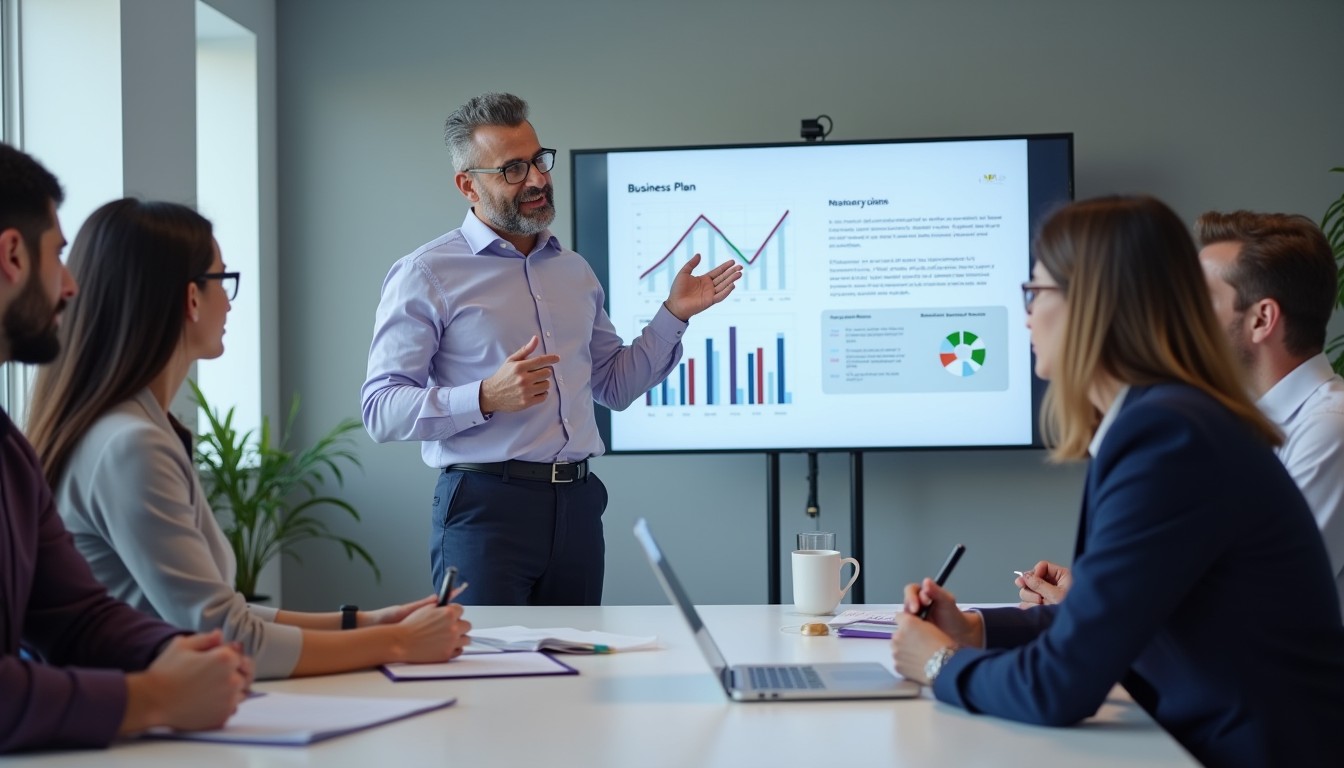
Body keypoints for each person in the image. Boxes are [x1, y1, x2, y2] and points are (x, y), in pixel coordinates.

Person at [890, 195, 1344, 766]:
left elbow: (1060, 687)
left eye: (1035, 291)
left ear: (1093, 305)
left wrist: (938, 664)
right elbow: (1105, 619)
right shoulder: (1164, 419)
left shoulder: (1168, 435)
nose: (1025, 313)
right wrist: (974, 629)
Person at [26, 198, 471, 681]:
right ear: (191, 299)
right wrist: (399, 643)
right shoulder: (130, 446)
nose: (230, 301)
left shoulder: (135, 428)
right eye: (223, 279)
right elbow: (227, 634)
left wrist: (364, 623)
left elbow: (222, 612)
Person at [361, 92, 742, 606]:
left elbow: (614, 386)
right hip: (485, 508)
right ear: (467, 185)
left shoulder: (573, 270)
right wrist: (484, 396)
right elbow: (380, 410)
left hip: (578, 506)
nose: (538, 179)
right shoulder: (426, 273)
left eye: (539, 159)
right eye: (512, 169)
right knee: (488, 677)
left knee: (579, 678)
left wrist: (672, 316)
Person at [0, 143, 250, 752]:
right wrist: (156, 697)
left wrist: (181, 654)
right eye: (57, 255)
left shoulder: (10, 450)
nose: (68, 286)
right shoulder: (126, 441)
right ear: (12, 255)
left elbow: (74, 614)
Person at [1016, 211, 1344, 618]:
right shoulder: (1230, 423)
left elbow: (1260, 600)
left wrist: (1104, 609)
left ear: (1261, 319)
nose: (1183, 317)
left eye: (1201, 300)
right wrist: (1096, 594)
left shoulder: (1332, 428)